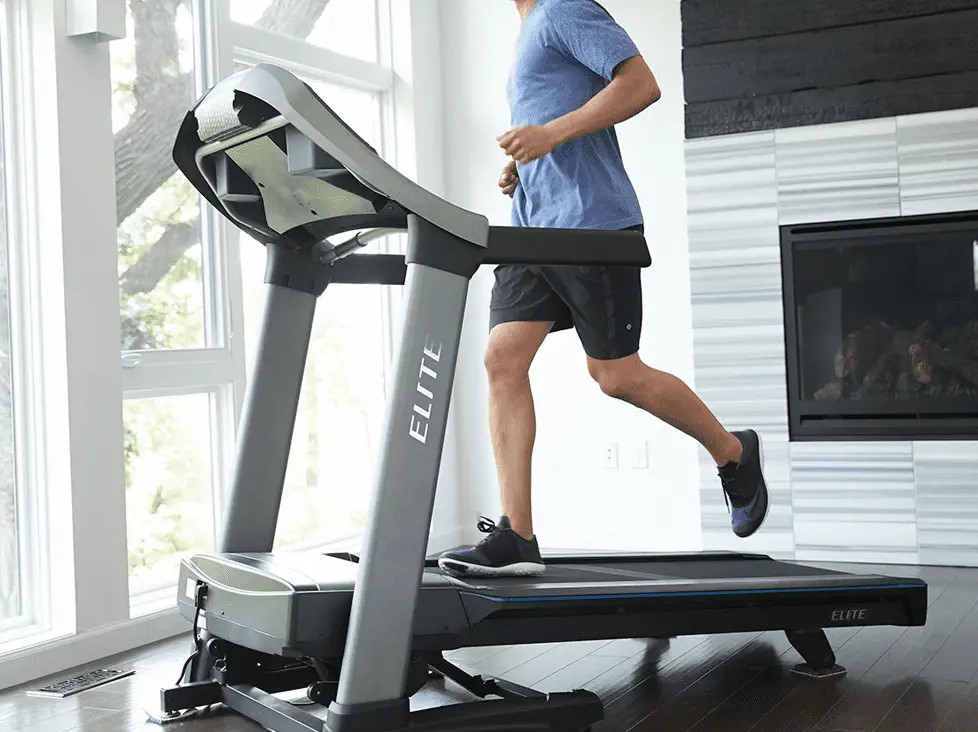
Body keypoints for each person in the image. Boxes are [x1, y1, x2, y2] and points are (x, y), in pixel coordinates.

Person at [437, 0, 768, 578]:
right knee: (502, 360)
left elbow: (641, 84)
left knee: (615, 376)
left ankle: (732, 452)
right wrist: (527, 164)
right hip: (533, 229)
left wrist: (549, 134)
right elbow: (554, 127)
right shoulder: (526, 32)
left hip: (593, 226)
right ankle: (517, 534)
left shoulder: (565, 9)